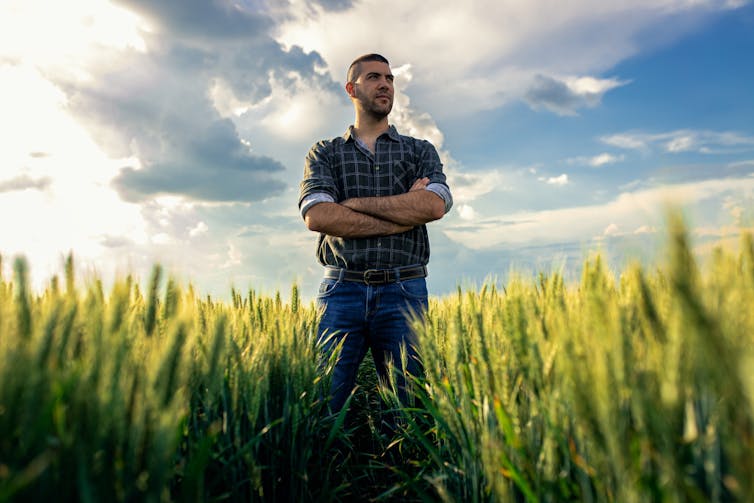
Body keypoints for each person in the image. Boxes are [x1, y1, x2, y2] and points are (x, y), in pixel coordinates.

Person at [298, 53, 453, 414]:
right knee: (326, 403)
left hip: (405, 289)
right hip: (341, 289)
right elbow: (318, 215)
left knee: (406, 409)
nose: (385, 84)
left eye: (390, 78)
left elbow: (433, 207)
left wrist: (350, 204)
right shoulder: (326, 152)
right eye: (373, 77)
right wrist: (405, 213)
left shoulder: (419, 150)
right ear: (352, 89)